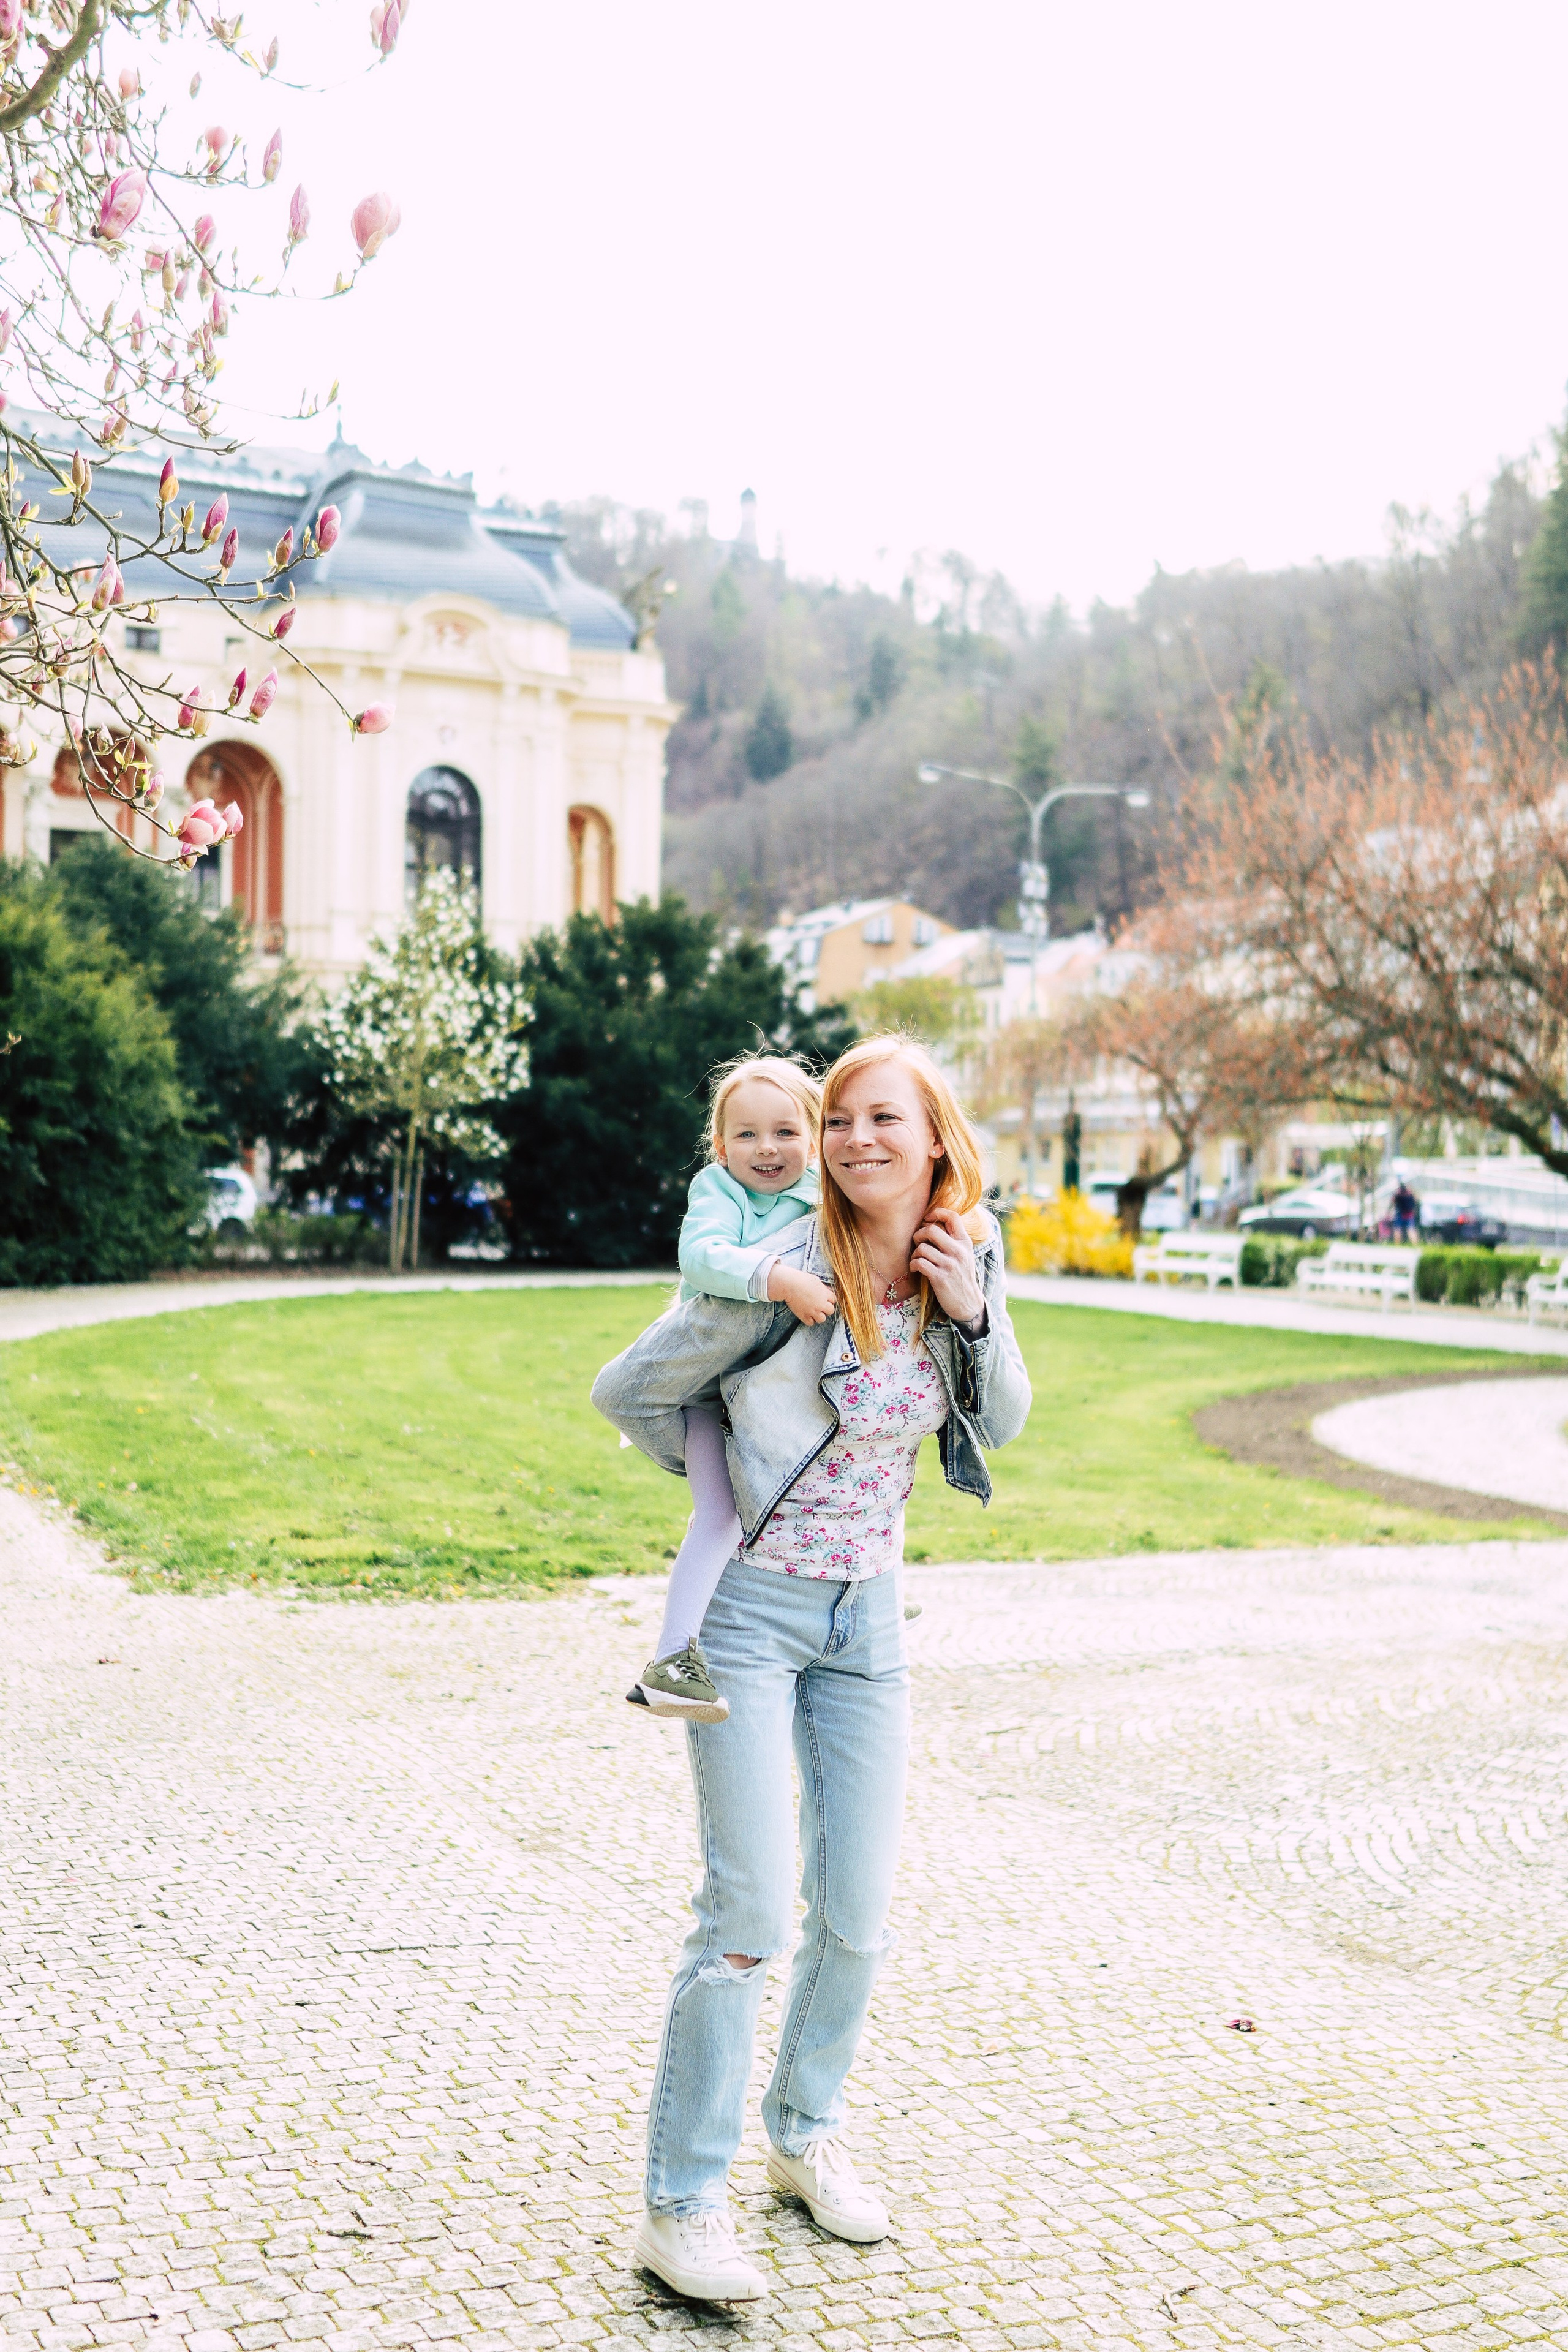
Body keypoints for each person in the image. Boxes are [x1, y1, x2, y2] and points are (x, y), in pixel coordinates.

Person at [591, 1035, 1032, 2305]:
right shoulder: (775, 1272)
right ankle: (679, 2205)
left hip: (869, 1623)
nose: (851, 1140)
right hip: (749, 1616)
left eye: (879, 1119)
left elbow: (994, 1419)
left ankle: (800, 2133)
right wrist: (723, 1483)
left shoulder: (968, 1246)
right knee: (744, 1913)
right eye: (837, 1120)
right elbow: (629, 1388)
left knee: (854, 1911)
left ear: (933, 1136)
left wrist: (970, 1311)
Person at [631, 1053, 837, 1723]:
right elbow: (702, 1257)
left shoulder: (820, 1193)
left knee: (829, 1460)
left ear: (812, 1139)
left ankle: (852, 1590)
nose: (766, 1148)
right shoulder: (718, 1191)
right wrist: (781, 1279)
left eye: (784, 1131)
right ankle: (672, 1656)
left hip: (769, 1387)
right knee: (718, 1516)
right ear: (720, 1147)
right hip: (706, 1390)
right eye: (745, 1134)